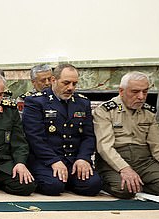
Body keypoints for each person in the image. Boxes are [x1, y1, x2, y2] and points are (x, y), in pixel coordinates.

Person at [22, 63, 102, 196]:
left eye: (74, 83)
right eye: (66, 83)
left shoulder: (82, 103)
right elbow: (34, 138)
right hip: (47, 160)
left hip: (73, 159)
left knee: (94, 185)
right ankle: (63, 180)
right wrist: (54, 161)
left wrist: (83, 158)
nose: (70, 88)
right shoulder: (36, 102)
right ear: (53, 80)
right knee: (53, 186)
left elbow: (88, 136)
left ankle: (69, 179)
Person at [93, 71, 159, 198]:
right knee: (125, 189)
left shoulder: (148, 112)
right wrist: (124, 169)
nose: (141, 96)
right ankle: (114, 182)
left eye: (145, 91)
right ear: (121, 91)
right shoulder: (105, 111)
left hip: (144, 161)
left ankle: (140, 185)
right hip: (114, 161)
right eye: (135, 92)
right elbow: (105, 147)